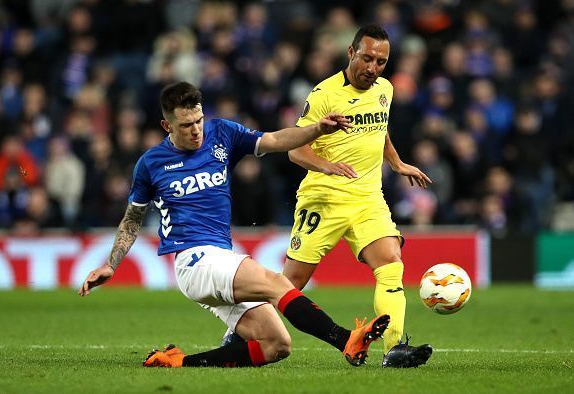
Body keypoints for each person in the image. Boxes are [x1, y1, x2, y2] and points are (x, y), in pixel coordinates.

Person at [78, 81, 391, 368]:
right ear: (166, 125)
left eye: (198, 121)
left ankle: (178, 362)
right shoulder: (150, 163)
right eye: (186, 125)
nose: (196, 131)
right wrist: (112, 264)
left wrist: (316, 129)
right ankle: (346, 340)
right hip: (194, 261)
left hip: (220, 259)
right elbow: (132, 219)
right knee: (277, 282)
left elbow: (275, 139)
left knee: (276, 345)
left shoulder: (221, 133)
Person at [225, 25, 434, 368]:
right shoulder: (324, 94)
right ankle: (239, 331)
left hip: (368, 198)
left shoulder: (386, 89)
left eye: (381, 61)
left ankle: (394, 347)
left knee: (390, 263)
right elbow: (295, 150)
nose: (373, 68)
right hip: (324, 198)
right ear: (351, 53)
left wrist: (396, 163)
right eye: (367, 58)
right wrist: (327, 166)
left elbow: (379, 130)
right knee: (290, 282)